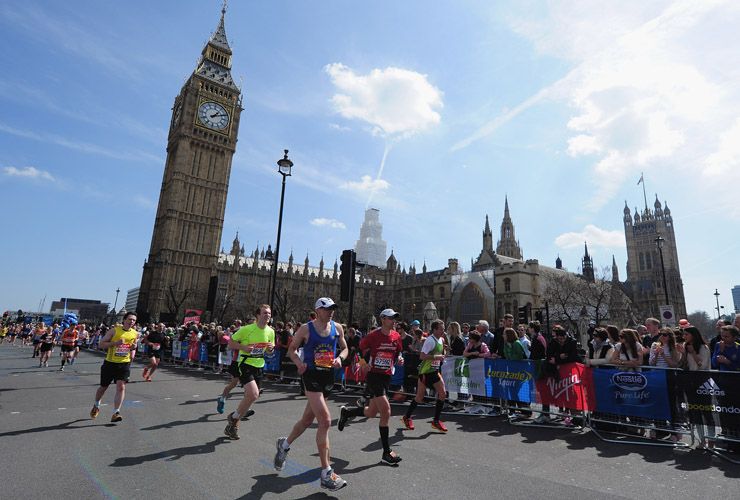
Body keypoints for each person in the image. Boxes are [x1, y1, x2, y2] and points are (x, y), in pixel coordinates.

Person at [273, 298, 348, 491]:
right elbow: (291, 350)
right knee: (325, 421)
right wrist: (299, 364)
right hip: (311, 376)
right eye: (327, 309)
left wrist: (340, 358)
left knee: (307, 420)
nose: (331, 312)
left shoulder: (337, 328)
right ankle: (326, 472)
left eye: (333, 308)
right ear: (317, 310)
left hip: (328, 377)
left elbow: (346, 348)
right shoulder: (306, 329)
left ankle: (284, 445)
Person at [337, 309, 404, 465]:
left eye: (395, 318)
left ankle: (347, 412)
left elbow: (398, 352)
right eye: (390, 318)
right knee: (386, 411)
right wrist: (363, 364)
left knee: (372, 412)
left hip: (386, 376)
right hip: (373, 376)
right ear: (382, 319)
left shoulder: (396, 336)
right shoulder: (373, 335)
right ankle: (386, 453)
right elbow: (358, 350)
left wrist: (399, 359)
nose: (394, 321)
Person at [223, 305, 275, 440]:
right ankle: (233, 421)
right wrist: (243, 347)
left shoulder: (271, 331)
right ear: (258, 315)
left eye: (269, 313)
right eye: (265, 313)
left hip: (259, 365)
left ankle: (233, 422)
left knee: (250, 397)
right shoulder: (247, 329)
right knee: (253, 394)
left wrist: (270, 349)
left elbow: (270, 351)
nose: (267, 315)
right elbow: (230, 344)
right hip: (245, 364)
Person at [90, 312, 139, 422]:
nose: (132, 322)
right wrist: (115, 343)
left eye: (134, 320)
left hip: (124, 363)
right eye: (130, 319)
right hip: (110, 363)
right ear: (124, 320)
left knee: (121, 387)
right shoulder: (114, 330)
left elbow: (132, 347)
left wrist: (134, 347)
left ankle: (116, 412)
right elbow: (101, 344)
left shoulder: (135, 333)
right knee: (103, 387)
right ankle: (96, 405)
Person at [402, 319, 449, 433]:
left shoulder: (441, 339)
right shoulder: (430, 340)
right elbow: (422, 356)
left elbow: (440, 354)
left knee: (433, 395)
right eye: (441, 329)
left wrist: (444, 353)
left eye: (444, 328)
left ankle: (432, 420)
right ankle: (432, 420)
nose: (443, 331)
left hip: (434, 370)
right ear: (434, 329)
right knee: (430, 395)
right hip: (426, 372)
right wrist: (437, 357)